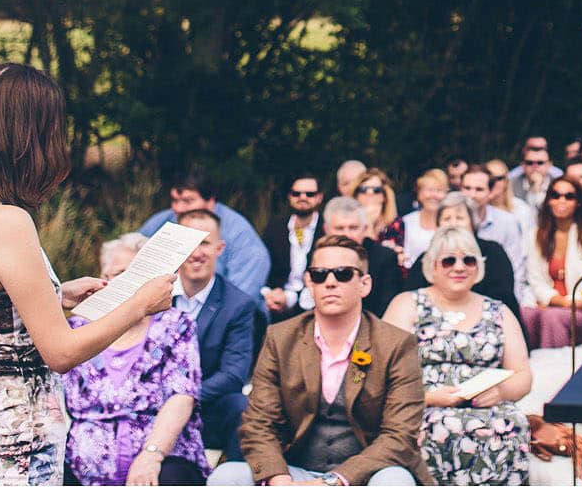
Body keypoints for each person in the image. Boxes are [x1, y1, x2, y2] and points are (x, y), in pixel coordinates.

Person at [0, 63, 176, 484]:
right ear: (27, 140)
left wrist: (56, 295)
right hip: (10, 453)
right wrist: (139, 305)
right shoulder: (8, 222)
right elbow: (60, 353)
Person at [208, 236, 430, 487]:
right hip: (294, 472)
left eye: (344, 274)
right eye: (319, 274)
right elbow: (259, 423)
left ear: (364, 284)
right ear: (309, 283)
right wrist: (279, 480)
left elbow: (399, 436)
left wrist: (333, 482)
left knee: (396, 481)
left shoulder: (396, 344)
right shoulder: (280, 338)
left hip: (366, 476)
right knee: (226, 477)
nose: (330, 282)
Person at [380, 228, 531, 486]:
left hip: (488, 408)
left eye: (468, 260)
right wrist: (428, 397)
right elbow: (383, 371)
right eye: (449, 260)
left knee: (515, 425)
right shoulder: (408, 304)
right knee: (443, 427)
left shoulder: (498, 311)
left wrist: (501, 392)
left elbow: (523, 374)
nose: (459, 267)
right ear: (432, 267)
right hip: (424, 406)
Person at [62, 234, 212, 486]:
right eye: (117, 274)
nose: (123, 282)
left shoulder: (176, 325)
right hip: (83, 461)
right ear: (104, 279)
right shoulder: (76, 329)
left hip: (163, 456)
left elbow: (181, 397)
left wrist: (152, 456)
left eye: (133, 275)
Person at [170, 211, 258, 463]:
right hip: (148, 403)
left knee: (241, 406)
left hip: (205, 407)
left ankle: (233, 474)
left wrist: (184, 397)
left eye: (205, 243)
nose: (197, 253)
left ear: (220, 248)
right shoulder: (154, 295)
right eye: (189, 242)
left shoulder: (238, 305)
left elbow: (233, 375)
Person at [139, 170, 272, 308]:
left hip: (223, 315)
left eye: (188, 201)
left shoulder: (238, 233)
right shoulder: (165, 220)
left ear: (210, 202)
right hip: (165, 309)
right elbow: (134, 255)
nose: (178, 208)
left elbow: (243, 293)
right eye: (175, 200)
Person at [402, 194, 521, 325]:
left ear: (472, 223)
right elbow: (412, 298)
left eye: (459, 218)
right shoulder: (427, 257)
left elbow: (504, 298)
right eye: (446, 218)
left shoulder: (492, 253)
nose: (453, 224)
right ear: (437, 225)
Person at [521, 177, 582, 350]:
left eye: (569, 196)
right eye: (555, 195)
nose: (561, 201)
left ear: (578, 203)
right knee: (525, 314)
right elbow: (535, 279)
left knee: (552, 317)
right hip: (546, 302)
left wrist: (564, 303)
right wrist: (553, 299)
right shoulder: (535, 235)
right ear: (548, 201)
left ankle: (555, 369)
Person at [309, 198, 406, 317]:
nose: (347, 235)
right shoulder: (317, 256)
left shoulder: (385, 257)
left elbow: (388, 307)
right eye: (339, 228)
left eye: (353, 228)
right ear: (326, 229)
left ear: (365, 229)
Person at [457, 167, 530, 304]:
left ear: (490, 193)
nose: (472, 195)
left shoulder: (507, 222)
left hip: (496, 296)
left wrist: (511, 305)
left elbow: (517, 267)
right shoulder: (449, 220)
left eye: (479, 189)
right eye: (467, 188)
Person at [262, 175, 323, 320]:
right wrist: (270, 293)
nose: (303, 197)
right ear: (290, 197)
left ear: (319, 197)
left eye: (310, 194)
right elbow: (263, 265)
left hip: (315, 302)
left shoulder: (327, 229)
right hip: (278, 300)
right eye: (297, 193)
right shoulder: (275, 228)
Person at [396, 170, 448, 269]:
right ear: (419, 194)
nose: (434, 195)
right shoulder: (406, 222)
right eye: (429, 190)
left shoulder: (451, 221)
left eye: (439, 190)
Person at [353, 169, 404, 256]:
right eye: (363, 189)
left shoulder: (395, 223)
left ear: (384, 196)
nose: (369, 193)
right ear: (356, 195)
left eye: (376, 190)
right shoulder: (348, 221)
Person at [482, 160, 538, 238]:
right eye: (489, 178)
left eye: (498, 178)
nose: (493, 183)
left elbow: (528, 242)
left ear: (506, 181)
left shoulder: (521, 209)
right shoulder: (478, 210)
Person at [507, 142, 552, 213]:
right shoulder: (511, 185)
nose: (535, 166)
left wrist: (537, 189)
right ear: (522, 165)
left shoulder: (557, 183)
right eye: (530, 163)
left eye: (540, 163)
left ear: (549, 165)